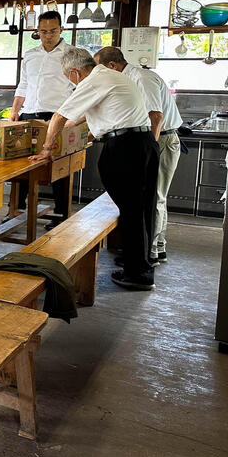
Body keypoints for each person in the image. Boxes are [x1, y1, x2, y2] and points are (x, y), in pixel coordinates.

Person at [31, 47, 159, 291]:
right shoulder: (112, 77)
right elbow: (83, 118)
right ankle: (140, 265)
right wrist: (82, 135)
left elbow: (60, 116)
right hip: (143, 144)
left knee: (131, 210)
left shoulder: (94, 80)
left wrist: (46, 149)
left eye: (68, 77)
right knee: (141, 208)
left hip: (126, 148)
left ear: (76, 72)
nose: (71, 82)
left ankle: (138, 273)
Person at [94, 46, 182, 265]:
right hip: (153, 139)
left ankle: (150, 252)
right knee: (147, 197)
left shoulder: (141, 78)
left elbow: (156, 116)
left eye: (99, 70)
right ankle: (152, 249)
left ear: (112, 66)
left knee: (154, 197)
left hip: (160, 138)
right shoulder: (128, 78)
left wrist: (147, 149)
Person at [10, 11, 75, 228]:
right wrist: (15, 110)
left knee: (58, 164)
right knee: (22, 164)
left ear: (61, 30)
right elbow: (24, 84)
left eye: (53, 31)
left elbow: (78, 88)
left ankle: (60, 215)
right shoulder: (30, 54)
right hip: (29, 113)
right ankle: (16, 209)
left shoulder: (72, 54)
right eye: (44, 31)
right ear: (37, 31)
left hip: (56, 115)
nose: (48, 36)